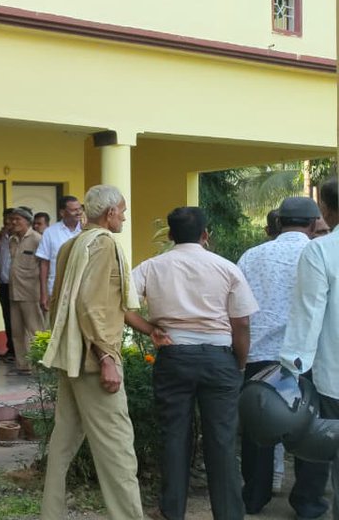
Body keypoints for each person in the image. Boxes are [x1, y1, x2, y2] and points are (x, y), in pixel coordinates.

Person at [39, 184, 161, 520]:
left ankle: (51, 513)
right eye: (122, 210)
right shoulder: (105, 243)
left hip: (73, 356)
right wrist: (107, 356)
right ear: (109, 213)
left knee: (62, 444)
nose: (124, 216)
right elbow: (91, 304)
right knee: (118, 449)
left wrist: (149, 330)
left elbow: (68, 302)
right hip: (94, 361)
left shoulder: (70, 244)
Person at [132, 206, 257, 520]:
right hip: (219, 358)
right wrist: (239, 365)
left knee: (174, 435)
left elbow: (121, 304)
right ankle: (228, 514)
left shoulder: (151, 266)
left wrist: (150, 329)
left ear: (171, 235)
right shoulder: (226, 268)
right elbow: (241, 324)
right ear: (206, 235)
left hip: (173, 355)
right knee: (222, 440)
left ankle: (172, 511)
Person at [238, 196, 329, 517]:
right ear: (313, 222)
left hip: (259, 356)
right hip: (305, 357)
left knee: (258, 431)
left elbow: (238, 306)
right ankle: (307, 502)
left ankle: (254, 497)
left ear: (279, 222)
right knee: (311, 429)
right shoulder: (317, 251)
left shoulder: (252, 255)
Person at [280, 176, 339, 520]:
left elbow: (309, 312)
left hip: (333, 376)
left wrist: (292, 368)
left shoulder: (320, 250)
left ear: (326, 211)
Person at [6, 207, 44, 376]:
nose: (14, 223)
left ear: (27, 222)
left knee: (36, 330)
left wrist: (45, 293)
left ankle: (40, 366)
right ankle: (23, 366)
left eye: (18, 220)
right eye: (12, 219)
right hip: (14, 290)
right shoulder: (12, 239)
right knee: (17, 331)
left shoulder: (37, 239)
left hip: (31, 291)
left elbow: (44, 266)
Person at [37, 195, 84, 312]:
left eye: (80, 209)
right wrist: (43, 293)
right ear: (62, 213)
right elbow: (44, 264)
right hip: (57, 290)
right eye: (74, 210)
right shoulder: (50, 232)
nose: (78, 212)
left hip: (82, 290)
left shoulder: (87, 231)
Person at [0, 208, 16, 363]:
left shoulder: (20, 238)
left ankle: (18, 350)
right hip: (3, 282)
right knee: (7, 317)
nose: (7, 223)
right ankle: (10, 349)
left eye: (10, 220)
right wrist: (0, 238)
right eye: (5, 220)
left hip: (17, 283)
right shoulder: (3, 237)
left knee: (17, 318)